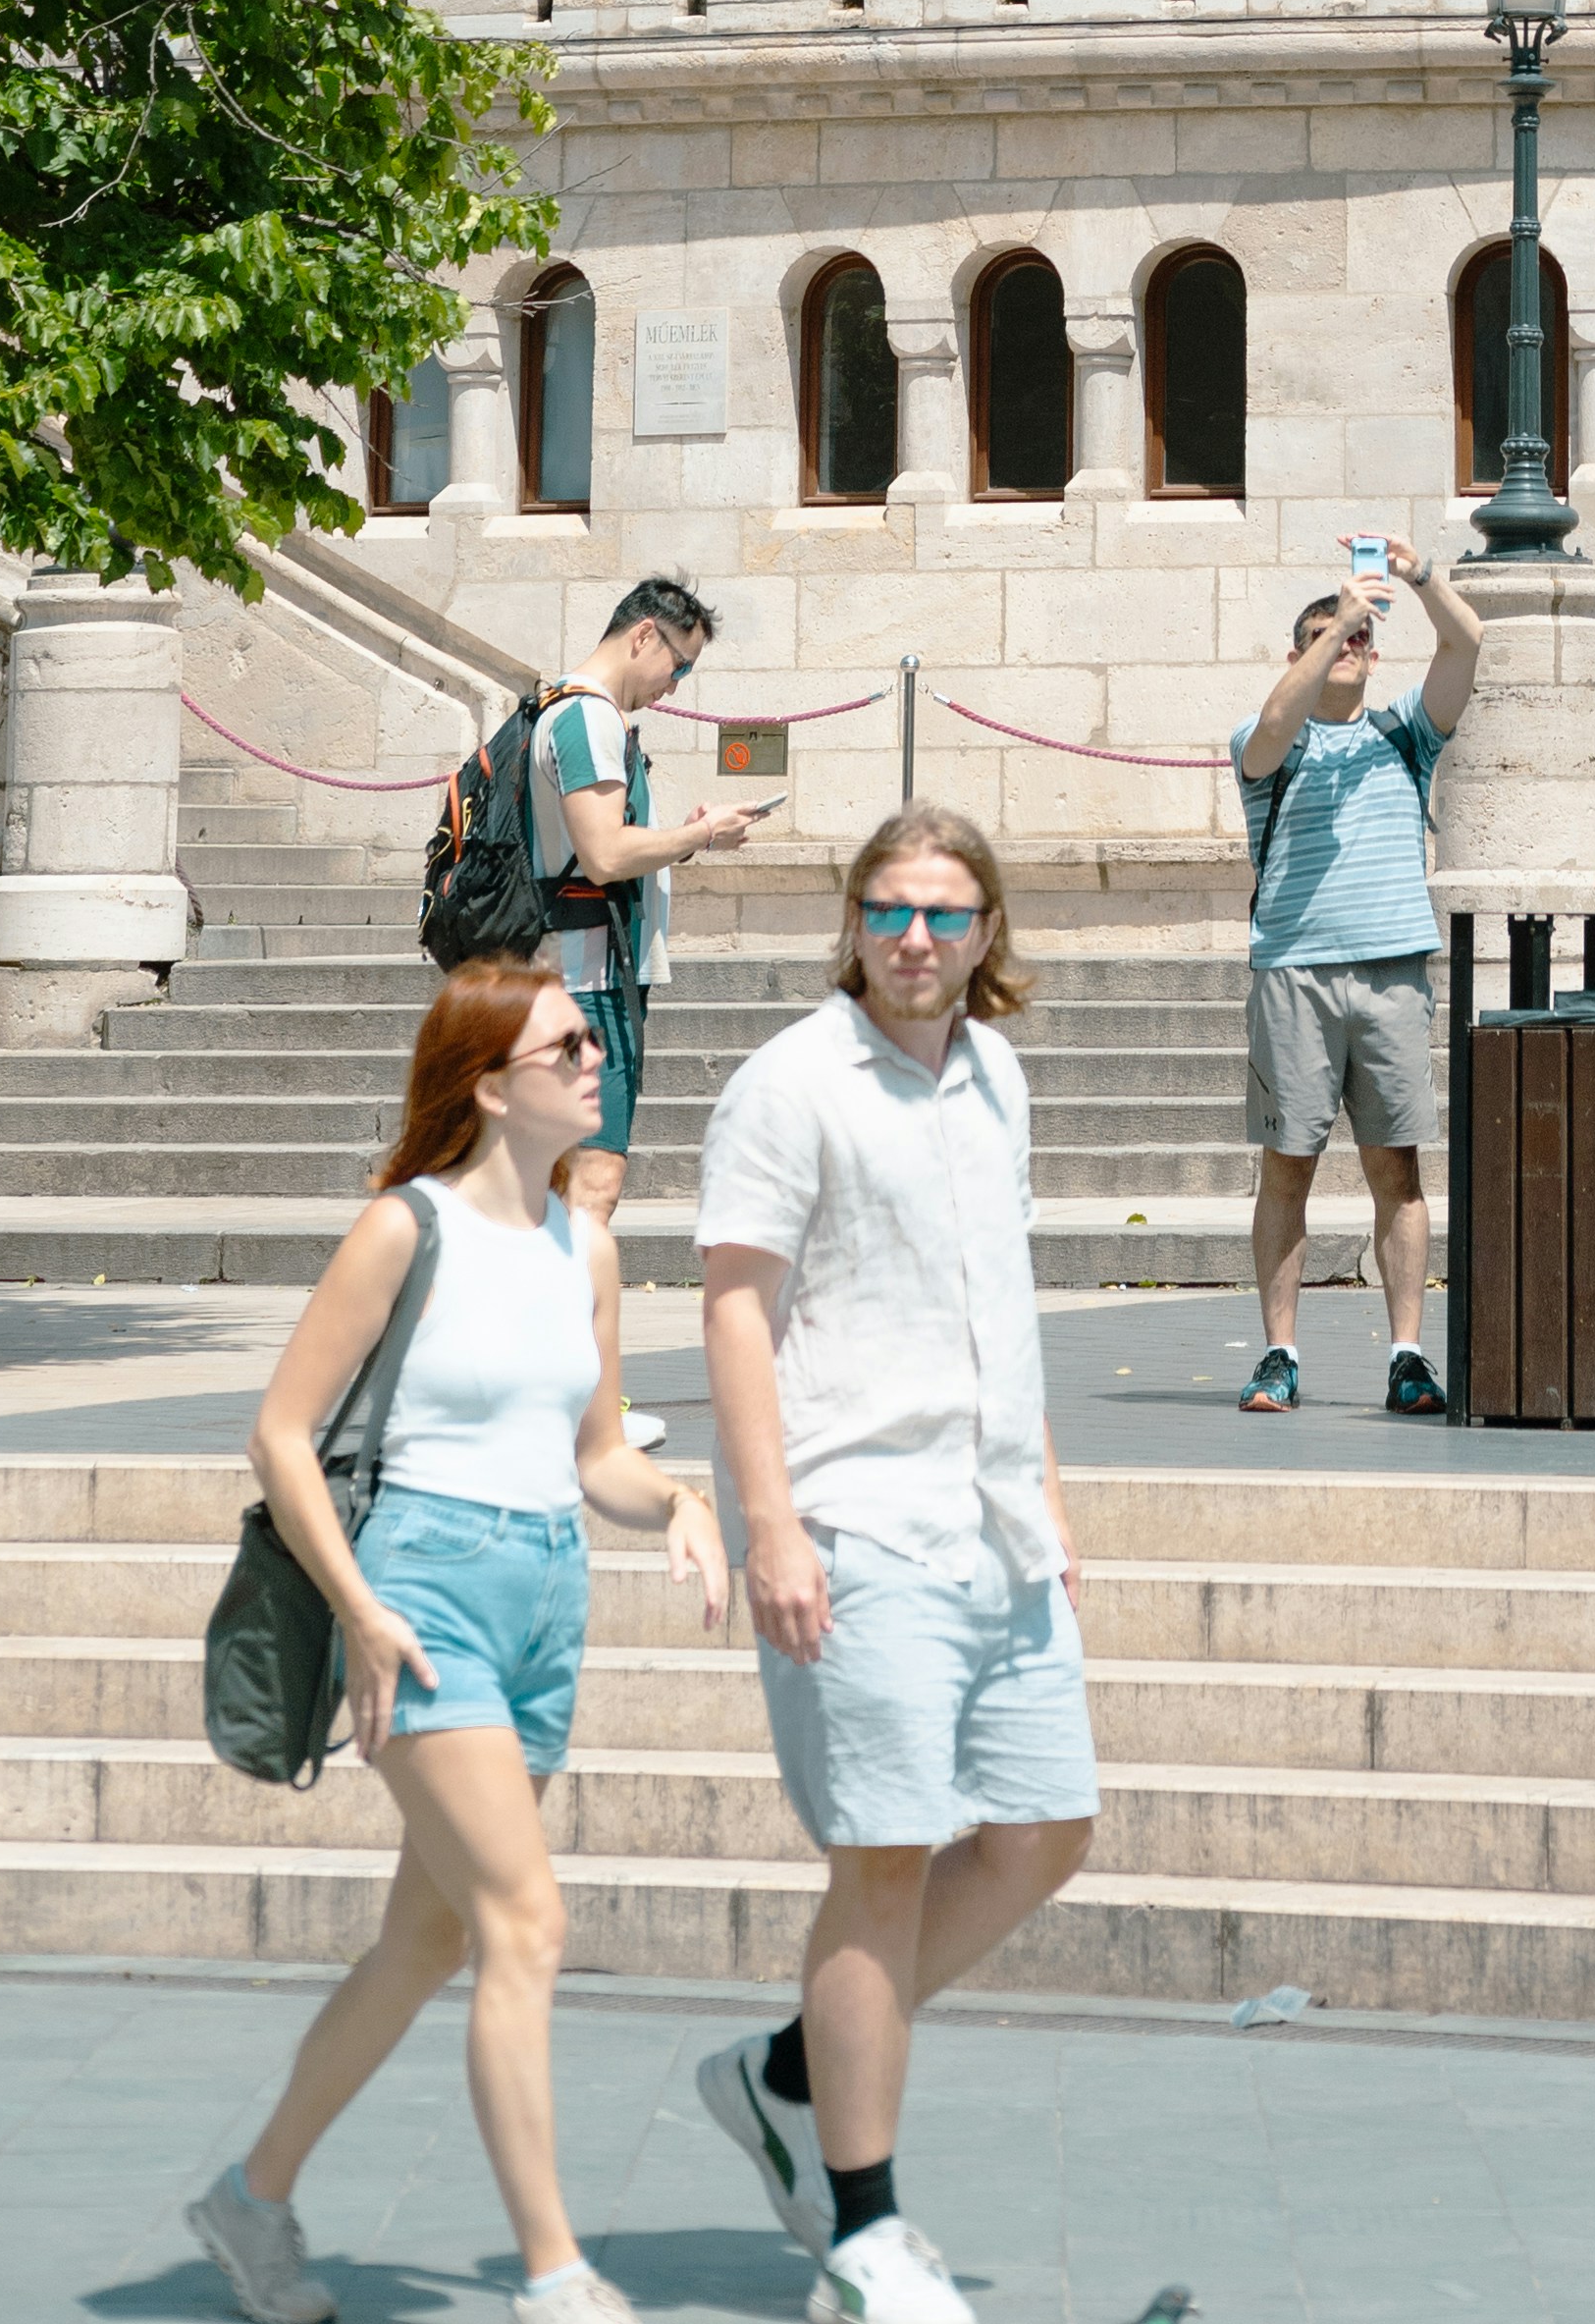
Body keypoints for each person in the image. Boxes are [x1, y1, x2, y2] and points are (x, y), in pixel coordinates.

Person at [186, 954, 726, 2324]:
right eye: (565, 1049)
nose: (594, 1060)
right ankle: (556, 2276)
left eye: (590, 1042)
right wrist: (362, 1608)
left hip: (547, 1592)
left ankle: (249, 2198)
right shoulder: (402, 1231)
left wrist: (679, 1498)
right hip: (424, 1589)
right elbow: (283, 1436)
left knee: (427, 1944)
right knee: (525, 1924)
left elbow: (597, 1454)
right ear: (489, 1085)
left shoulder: (585, 1248)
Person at [690, 805, 1092, 2324]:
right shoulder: (789, 1084)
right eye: (889, 909)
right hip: (856, 1519)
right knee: (880, 1855)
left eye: (945, 911)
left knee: (1048, 1825)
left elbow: (1005, 1298)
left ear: (989, 931)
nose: (915, 937)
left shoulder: (997, 1075)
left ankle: (791, 2071)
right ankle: (864, 2228)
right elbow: (736, 1309)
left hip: (994, 1524)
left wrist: (1046, 1499)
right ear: (851, 922)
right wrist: (771, 1523)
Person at [1233, 537, 1479, 1413]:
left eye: (1363, 640)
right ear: (1302, 652)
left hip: (1392, 974)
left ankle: (1407, 1354)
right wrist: (1339, 616)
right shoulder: (1269, 744)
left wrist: (1417, 579)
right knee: (1287, 1168)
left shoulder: (1402, 733)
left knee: (1398, 1171)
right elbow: (1270, 726)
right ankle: (1279, 1355)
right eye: (1330, 639)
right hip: (1293, 975)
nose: (1350, 649)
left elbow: (1466, 648)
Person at [532, 576, 771, 1232]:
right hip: (587, 980)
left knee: (568, 1183)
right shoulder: (588, 716)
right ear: (644, 636)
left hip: (581, 973)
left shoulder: (571, 708)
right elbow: (605, 855)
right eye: (680, 664)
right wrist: (701, 833)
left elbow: (599, 849)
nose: (676, 684)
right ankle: (568, 1329)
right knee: (595, 1180)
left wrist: (686, 843)